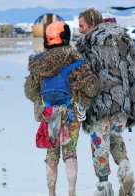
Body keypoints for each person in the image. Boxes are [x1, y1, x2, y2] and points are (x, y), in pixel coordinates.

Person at [24, 21, 99, 196]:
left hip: (48, 114)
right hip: (71, 114)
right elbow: (92, 88)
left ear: (47, 39)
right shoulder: (75, 59)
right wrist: (84, 100)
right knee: (70, 153)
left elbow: (29, 92)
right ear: (66, 36)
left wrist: (42, 101)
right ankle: (72, 191)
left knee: (51, 156)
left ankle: (51, 193)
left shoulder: (38, 61)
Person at [76, 7, 135, 196]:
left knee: (99, 143)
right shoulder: (124, 40)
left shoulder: (86, 44)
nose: (80, 30)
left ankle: (104, 186)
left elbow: (85, 78)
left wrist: (81, 104)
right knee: (115, 139)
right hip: (122, 103)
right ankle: (126, 171)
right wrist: (133, 103)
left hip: (99, 105)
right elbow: (134, 72)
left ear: (92, 24)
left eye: (82, 25)